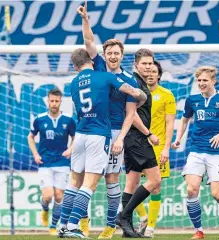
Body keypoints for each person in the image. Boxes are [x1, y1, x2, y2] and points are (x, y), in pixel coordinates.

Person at [58, 48, 146, 238]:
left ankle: (62, 224)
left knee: (74, 182)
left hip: (80, 134)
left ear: (75, 66)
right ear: (92, 60)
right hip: (99, 135)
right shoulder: (104, 77)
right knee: (90, 184)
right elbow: (132, 91)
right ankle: (73, 226)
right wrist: (142, 95)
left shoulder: (73, 83)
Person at [77, 3, 139, 239]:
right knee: (84, 177)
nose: (112, 56)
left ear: (122, 56)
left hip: (113, 133)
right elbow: (88, 42)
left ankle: (110, 226)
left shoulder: (129, 80)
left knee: (111, 179)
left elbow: (130, 113)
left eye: (117, 53)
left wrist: (121, 138)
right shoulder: (99, 66)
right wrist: (85, 20)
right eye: (109, 52)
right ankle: (82, 224)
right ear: (104, 55)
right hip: (92, 131)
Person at [171, 66, 219, 239]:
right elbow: (185, 119)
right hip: (196, 150)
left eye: (205, 80)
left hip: (217, 153)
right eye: (199, 80)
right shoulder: (192, 100)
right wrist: (178, 138)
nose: (201, 83)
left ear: (213, 81)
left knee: (217, 194)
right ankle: (199, 231)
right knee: (191, 190)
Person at [116, 49, 162, 238]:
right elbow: (131, 114)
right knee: (155, 180)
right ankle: (124, 216)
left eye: (150, 64)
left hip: (132, 138)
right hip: (136, 137)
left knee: (132, 184)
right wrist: (149, 133)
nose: (148, 67)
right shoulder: (134, 84)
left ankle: (127, 229)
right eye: (144, 64)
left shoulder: (141, 83)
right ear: (136, 65)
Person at [135, 61, 176, 237]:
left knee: (156, 188)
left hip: (158, 148)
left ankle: (150, 228)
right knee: (132, 185)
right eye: (148, 71)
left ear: (159, 75)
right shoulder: (137, 93)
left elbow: (170, 124)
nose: (150, 74)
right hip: (137, 145)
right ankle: (143, 217)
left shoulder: (167, 95)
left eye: (154, 71)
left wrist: (166, 149)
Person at [27, 89, 76, 235]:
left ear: (61, 102)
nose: (54, 104)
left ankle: (53, 226)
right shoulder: (40, 119)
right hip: (45, 162)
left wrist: (70, 150)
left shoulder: (68, 120)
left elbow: (76, 137)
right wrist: (35, 154)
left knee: (59, 196)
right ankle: (45, 209)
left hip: (62, 162)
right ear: (47, 101)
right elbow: (30, 137)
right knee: (48, 195)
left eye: (57, 101)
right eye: (51, 101)